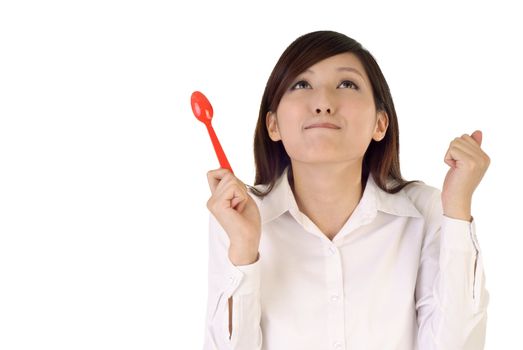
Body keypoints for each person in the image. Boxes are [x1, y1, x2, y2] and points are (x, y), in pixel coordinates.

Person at [202, 30, 490, 350]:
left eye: (347, 84)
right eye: (301, 84)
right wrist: (243, 250)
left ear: (380, 124)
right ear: (273, 125)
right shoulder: (237, 217)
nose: (324, 102)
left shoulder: (426, 212)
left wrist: (458, 211)